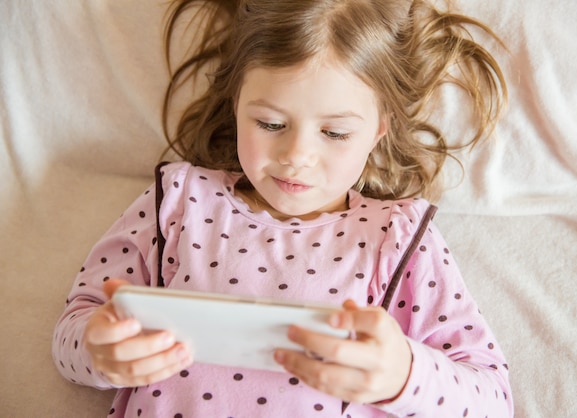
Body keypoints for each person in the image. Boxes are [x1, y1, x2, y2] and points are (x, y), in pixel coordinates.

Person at [53, 0, 513, 416]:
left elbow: (492, 398)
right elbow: (73, 329)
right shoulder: (178, 200)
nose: (297, 155)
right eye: (270, 123)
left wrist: (404, 377)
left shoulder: (396, 235)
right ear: (236, 105)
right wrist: (98, 352)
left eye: (334, 133)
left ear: (379, 130)